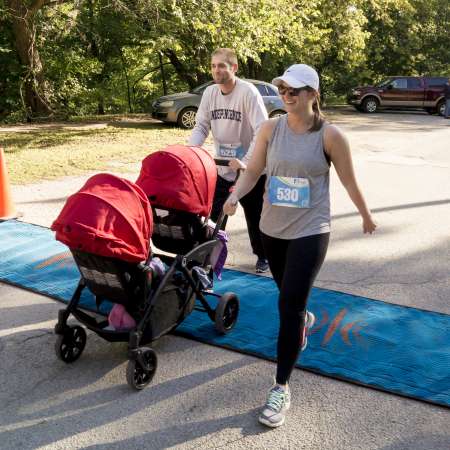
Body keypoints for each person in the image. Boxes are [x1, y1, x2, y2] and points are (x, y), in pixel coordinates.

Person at [223, 64, 377, 428]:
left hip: (311, 231)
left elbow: (349, 181)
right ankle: (303, 318)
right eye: (282, 89)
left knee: (288, 305)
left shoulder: (330, 136)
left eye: (294, 90)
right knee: (288, 297)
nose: (286, 95)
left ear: (313, 94)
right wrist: (235, 194)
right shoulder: (270, 128)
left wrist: (366, 215)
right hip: (271, 230)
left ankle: (281, 387)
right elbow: (254, 169)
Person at [188, 48, 270, 273]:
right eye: (213, 66)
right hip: (222, 168)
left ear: (234, 68)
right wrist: (189, 153)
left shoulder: (248, 92)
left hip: (250, 170)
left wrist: (246, 161)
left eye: (221, 66)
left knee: (254, 216)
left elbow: (262, 130)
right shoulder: (210, 93)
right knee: (214, 217)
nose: (216, 70)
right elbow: (201, 126)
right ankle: (207, 262)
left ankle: (263, 256)